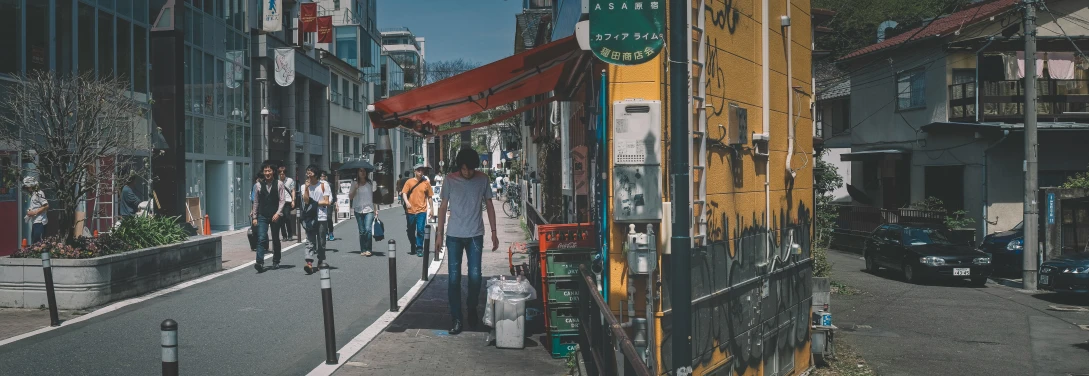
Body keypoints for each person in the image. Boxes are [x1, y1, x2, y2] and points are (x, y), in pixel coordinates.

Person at [434, 149, 498, 335]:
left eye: (470, 169)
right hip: (453, 235)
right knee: (453, 279)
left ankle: (471, 308)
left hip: (475, 235)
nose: (467, 173)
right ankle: (456, 318)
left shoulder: (483, 179)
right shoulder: (449, 180)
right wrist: (439, 234)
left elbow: (490, 205)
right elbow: (443, 206)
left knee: (475, 276)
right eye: (464, 169)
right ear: (459, 167)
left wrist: (494, 232)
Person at [250, 163, 286, 273]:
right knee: (261, 238)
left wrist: (278, 213)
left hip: (275, 215)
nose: (267, 173)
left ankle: (276, 261)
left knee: (275, 238)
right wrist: (254, 217)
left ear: (273, 172)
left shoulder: (279, 184)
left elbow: (282, 200)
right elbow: (256, 202)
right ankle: (259, 262)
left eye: (269, 171)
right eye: (265, 171)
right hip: (262, 215)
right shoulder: (258, 186)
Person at [302, 165, 332, 274]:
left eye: (310, 172)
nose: (308, 174)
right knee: (309, 240)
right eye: (307, 172)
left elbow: (327, 202)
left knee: (321, 241)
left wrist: (313, 203)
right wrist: (306, 188)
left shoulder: (324, 185)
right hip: (310, 217)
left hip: (321, 216)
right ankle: (309, 262)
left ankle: (321, 260)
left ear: (316, 173)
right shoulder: (304, 186)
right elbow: (305, 201)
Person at [401, 163, 433, 257]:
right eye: (418, 170)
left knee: (420, 230)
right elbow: (404, 193)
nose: (420, 172)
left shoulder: (426, 183)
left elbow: (430, 196)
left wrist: (432, 209)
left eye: (422, 170)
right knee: (411, 230)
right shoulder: (409, 182)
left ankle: (419, 248)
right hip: (410, 211)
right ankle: (413, 243)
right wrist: (407, 202)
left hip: (421, 210)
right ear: (414, 171)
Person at [349, 168, 376, 257]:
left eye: (364, 171)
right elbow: (350, 197)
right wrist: (355, 188)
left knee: (368, 230)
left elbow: (374, 197)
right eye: (360, 171)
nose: (362, 172)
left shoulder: (370, 183)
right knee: (362, 231)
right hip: (358, 209)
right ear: (357, 172)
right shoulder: (354, 183)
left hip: (369, 209)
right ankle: (363, 249)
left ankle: (368, 249)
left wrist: (376, 210)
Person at [23, 177, 49, 245]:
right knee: (34, 242)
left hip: (40, 222)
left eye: (28, 187)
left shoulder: (39, 193)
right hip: (35, 221)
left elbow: (46, 206)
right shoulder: (33, 194)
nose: (27, 189)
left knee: (39, 243)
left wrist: (34, 212)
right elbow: (35, 206)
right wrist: (29, 211)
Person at [279, 166, 297, 241]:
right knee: (281, 219)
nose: (281, 175)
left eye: (283, 173)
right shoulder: (276, 181)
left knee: (287, 218)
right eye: (280, 173)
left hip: (287, 202)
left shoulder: (290, 180)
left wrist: (293, 200)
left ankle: (290, 234)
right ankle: (284, 236)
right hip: (279, 202)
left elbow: (293, 190)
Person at [321, 171, 337, 241]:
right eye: (321, 176)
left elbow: (333, 194)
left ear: (326, 177)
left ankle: (331, 232)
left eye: (323, 176)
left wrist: (333, 202)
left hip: (329, 203)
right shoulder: (318, 185)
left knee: (329, 218)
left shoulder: (330, 184)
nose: (322, 178)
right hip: (321, 204)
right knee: (323, 219)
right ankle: (326, 233)